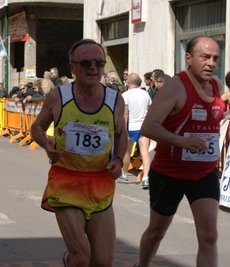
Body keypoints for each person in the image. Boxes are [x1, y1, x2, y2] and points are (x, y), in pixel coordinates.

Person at [31, 39, 127, 267]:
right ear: (72, 68)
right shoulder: (58, 97)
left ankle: (70, 259)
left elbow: (122, 134)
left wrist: (117, 159)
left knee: (103, 262)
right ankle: (73, 258)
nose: (93, 68)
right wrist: (46, 145)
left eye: (99, 62)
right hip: (66, 180)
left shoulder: (115, 100)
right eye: (85, 63)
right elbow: (37, 127)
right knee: (82, 258)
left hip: (100, 183)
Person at [136, 36, 223, 267]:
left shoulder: (217, 86)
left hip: (204, 173)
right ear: (189, 58)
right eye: (205, 57)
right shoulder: (176, 86)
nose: (211, 63)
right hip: (169, 174)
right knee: (157, 231)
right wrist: (183, 141)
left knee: (209, 236)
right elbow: (148, 126)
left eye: (215, 58)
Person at [118, 72, 152, 189]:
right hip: (144, 127)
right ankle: (146, 178)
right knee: (145, 152)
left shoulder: (126, 95)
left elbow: (125, 114)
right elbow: (149, 111)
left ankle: (124, 174)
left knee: (127, 152)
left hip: (131, 127)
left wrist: (123, 129)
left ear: (128, 82)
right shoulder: (146, 94)